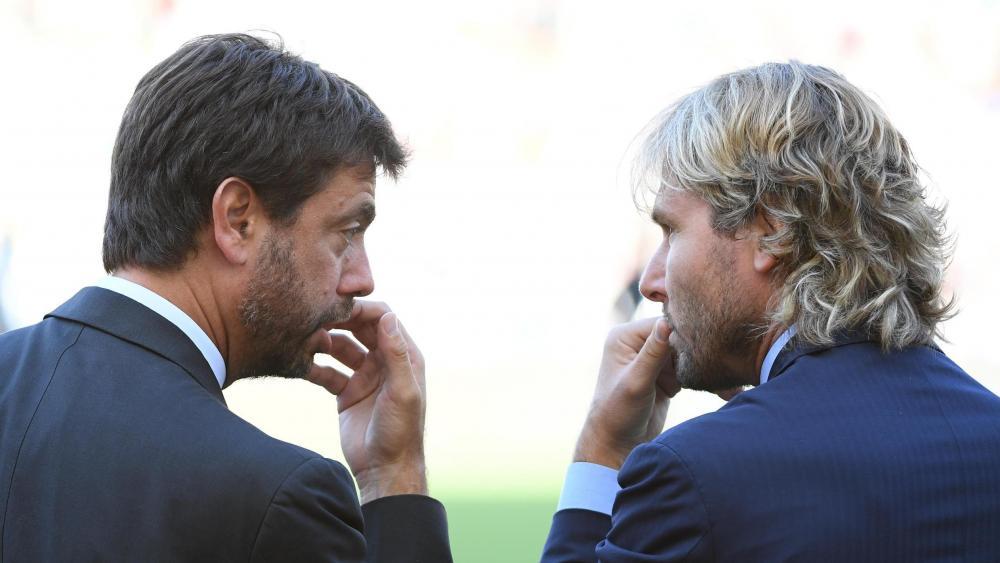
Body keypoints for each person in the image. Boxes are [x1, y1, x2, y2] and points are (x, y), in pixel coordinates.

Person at [0, 33, 451, 562]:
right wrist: (394, 477)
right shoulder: (275, 498)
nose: (362, 279)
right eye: (346, 231)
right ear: (237, 219)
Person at [542, 61, 1000, 561]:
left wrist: (603, 450)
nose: (652, 282)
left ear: (772, 231)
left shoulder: (696, 474)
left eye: (672, 232)